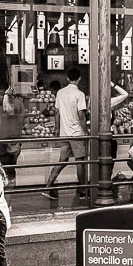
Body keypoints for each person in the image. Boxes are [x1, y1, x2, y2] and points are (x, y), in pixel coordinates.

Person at [43, 68, 90, 201]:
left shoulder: (60, 93)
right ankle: (82, 191)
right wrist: (85, 130)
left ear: (68, 78)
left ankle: (48, 186)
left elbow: (57, 112)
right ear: (79, 78)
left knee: (62, 161)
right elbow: (81, 114)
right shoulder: (79, 94)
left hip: (64, 133)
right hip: (77, 133)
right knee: (80, 162)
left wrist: (57, 128)